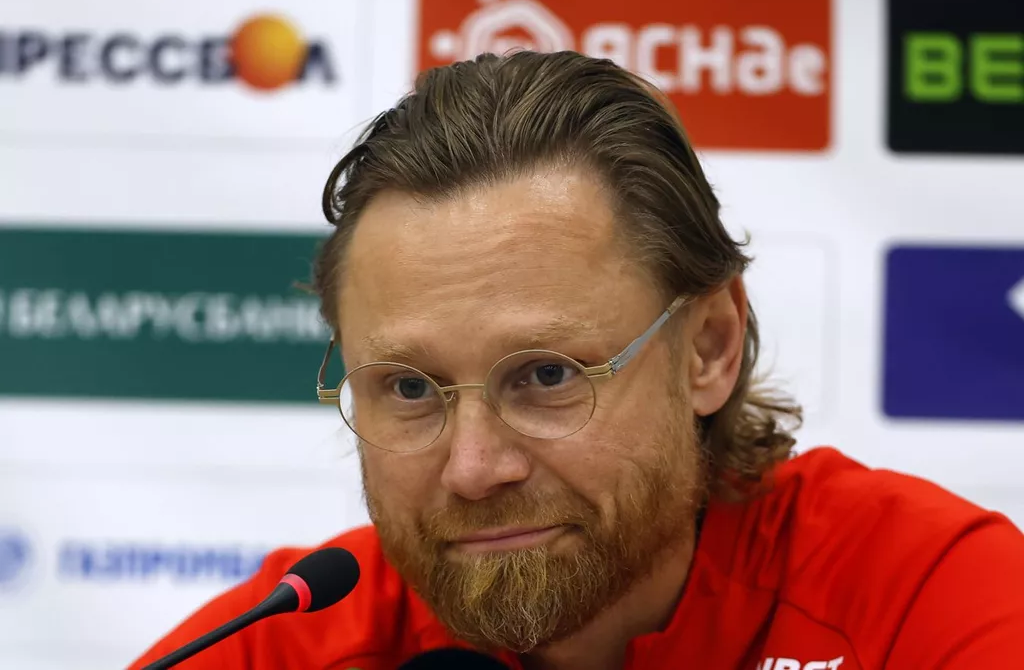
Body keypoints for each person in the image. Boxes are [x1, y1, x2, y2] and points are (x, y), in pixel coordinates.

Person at [128, 51, 1024, 670]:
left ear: (707, 348)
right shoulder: (292, 639)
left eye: (547, 375)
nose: (474, 467)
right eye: (409, 386)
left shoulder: (924, 597)